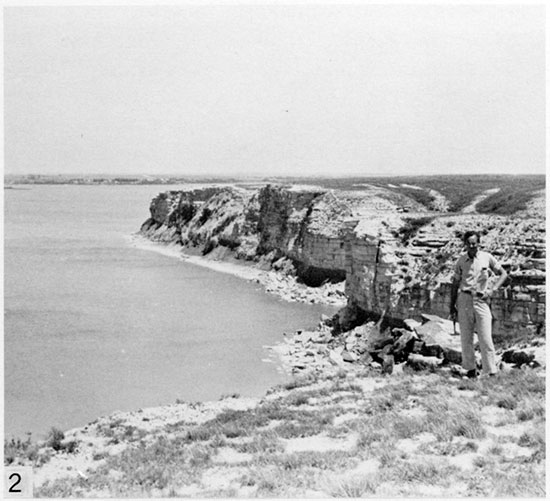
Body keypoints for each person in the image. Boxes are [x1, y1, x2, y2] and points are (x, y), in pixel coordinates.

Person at [450, 230, 508, 378]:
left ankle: (490, 371)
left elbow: (503, 274)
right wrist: (452, 305)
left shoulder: (487, 258)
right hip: (464, 299)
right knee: (466, 337)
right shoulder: (461, 261)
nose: (471, 246)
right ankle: (469, 369)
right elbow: (455, 283)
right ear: (465, 245)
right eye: (469, 244)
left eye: (474, 243)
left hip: (481, 300)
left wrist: (493, 289)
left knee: (485, 338)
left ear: (479, 243)